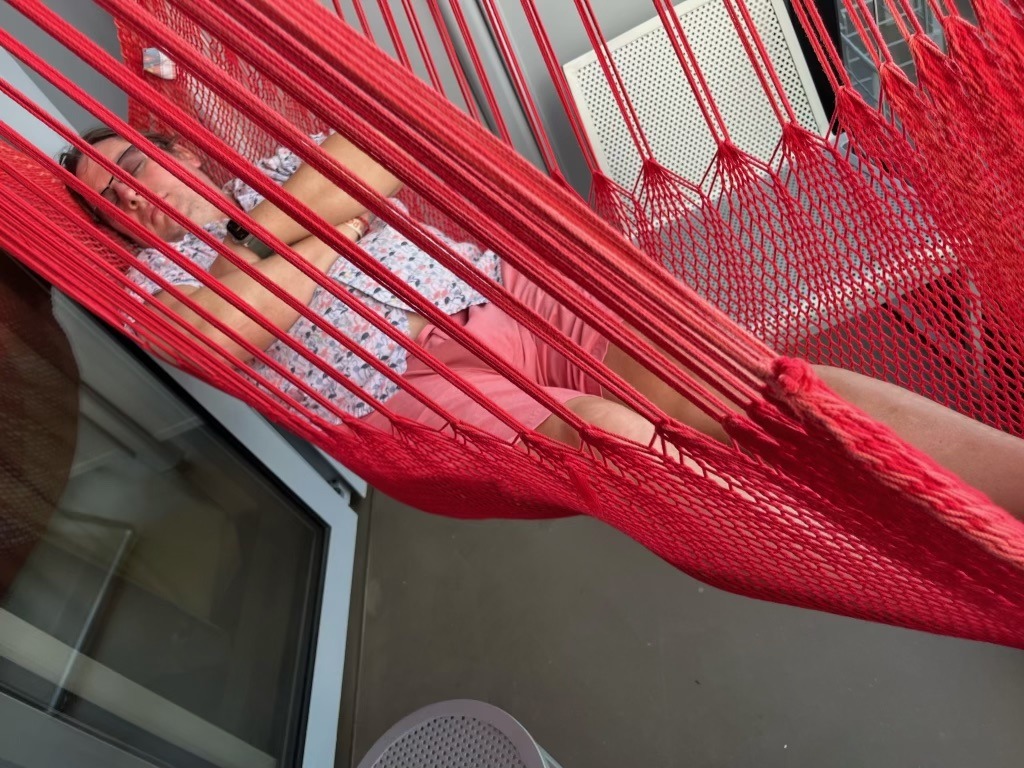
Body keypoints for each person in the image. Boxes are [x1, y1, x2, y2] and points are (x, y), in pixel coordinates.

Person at [60, 126, 1024, 520]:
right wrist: (327, 228)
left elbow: (372, 150)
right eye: (109, 200)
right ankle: (864, 531)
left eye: (127, 168)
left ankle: (1003, 481)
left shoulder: (266, 175)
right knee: (609, 439)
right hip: (407, 382)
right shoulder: (155, 281)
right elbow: (223, 333)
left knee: (748, 379)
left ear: (173, 146)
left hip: (502, 289)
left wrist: (272, 239)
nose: (129, 200)